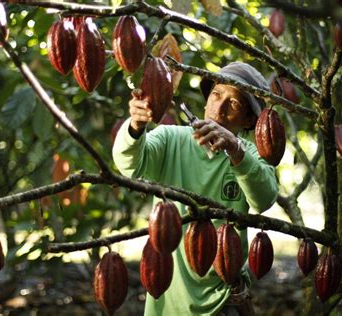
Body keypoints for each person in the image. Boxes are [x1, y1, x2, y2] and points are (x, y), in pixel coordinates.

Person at [112, 62, 278, 316]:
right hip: (170, 290)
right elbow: (129, 165)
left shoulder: (250, 155)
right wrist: (135, 126)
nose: (219, 108)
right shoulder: (171, 139)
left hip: (224, 297)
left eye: (233, 104)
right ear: (206, 100)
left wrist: (236, 151)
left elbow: (264, 199)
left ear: (249, 119)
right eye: (216, 94)